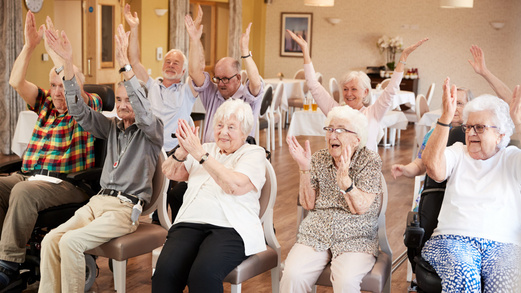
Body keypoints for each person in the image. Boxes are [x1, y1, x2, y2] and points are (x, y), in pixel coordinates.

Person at [38, 24, 163, 292]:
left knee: (71, 242)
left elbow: (142, 111)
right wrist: (67, 63)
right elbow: (78, 111)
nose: (122, 105)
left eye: (128, 99)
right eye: (118, 99)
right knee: (51, 240)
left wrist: (124, 66)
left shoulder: (153, 131)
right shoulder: (111, 127)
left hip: (124, 210)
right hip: (98, 202)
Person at [0, 11, 101, 290]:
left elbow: (74, 93)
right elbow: (15, 82)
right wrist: (29, 46)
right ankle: (1, 254)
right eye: (53, 85)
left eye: (63, 85)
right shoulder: (44, 103)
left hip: (68, 183)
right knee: (4, 187)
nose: (58, 92)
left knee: (22, 192)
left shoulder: (87, 107)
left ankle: (8, 266)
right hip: (31, 177)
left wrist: (64, 58)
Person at [152, 99, 266, 293]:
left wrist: (201, 155)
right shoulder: (206, 147)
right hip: (189, 223)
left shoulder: (253, 153)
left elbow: (233, 186)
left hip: (231, 227)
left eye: (231, 127)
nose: (223, 132)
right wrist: (182, 151)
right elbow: (170, 172)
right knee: (164, 273)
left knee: (203, 275)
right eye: (219, 125)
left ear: (244, 132)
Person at [421, 77, 521, 292]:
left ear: (500, 134)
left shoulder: (512, 158)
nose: (471, 133)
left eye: (480, 127)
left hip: (505, 245)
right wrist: (445, 119)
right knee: (464, 274)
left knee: (507, 280)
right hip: (452, 239)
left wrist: (520, 126)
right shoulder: (458, 151)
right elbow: (433, 168)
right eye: (468, 127)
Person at [281, 105, 383, 292]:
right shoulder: (319, 158)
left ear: (356, 139)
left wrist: (346, 183)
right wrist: (304, 167)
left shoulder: (369, 161)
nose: (332, 135)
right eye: (329, 129)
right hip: (317, 232)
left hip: (356, 235)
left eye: (340, 130)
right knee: (292, 275)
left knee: (346, 282)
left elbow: (361, 208)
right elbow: (307, 203)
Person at [287, 30, 428, 151]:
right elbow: (313, 85)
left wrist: (403, 58)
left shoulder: (373, 112)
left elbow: (391, 90)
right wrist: (305, 49)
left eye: (354, 89)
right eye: (345, 89)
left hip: (366, 173)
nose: (348, 93)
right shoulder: (335, 111)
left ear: (365, 92)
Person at [124, 3, 197, 152]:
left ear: (183, 71)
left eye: (176, 63)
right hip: (149, 146)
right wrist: (134, 28)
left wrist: (193, 38)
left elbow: (196, 70)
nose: (170, 65)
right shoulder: (152, 85)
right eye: (168, 62)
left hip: (175, 150)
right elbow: (135, 61)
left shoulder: (187, 91)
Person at [185, 8, 264, 143]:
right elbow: (194, 73)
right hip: (209, 155)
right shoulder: (212, 93)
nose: (220, 83)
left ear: (238, 77)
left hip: (237, 158)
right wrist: (194, 40)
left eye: (226, 79)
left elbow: (256, 83)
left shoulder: (248, 98)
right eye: (218, 78)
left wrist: (245, 51)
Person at [391, 87, 473, 179]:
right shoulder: (434, 133)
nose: (453, 107)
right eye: (450, 102)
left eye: (459, 103)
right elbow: (419, 165)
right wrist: (404, 169)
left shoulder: (473, 135)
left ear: (470, 107)